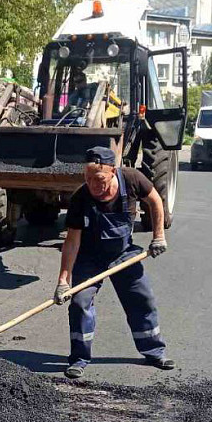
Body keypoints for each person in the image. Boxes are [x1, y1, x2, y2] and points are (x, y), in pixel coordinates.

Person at [54, 146, 173, 379]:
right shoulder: (81, 197)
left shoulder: (131, 179)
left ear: (113, 171)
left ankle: (154, 351)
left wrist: (158, 236)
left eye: (98, 179)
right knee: (80, 303)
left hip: (124, 254)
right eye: (87, 179)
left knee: (142, 298)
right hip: (90, 257)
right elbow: (72, 242)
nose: (93, 185)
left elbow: (156, 201)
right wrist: (63, 281)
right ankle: (79, 358)